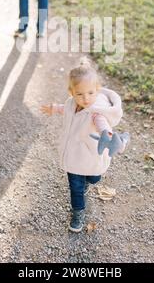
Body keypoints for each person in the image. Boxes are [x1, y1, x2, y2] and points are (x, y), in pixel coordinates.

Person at [41, 57, 130, 233]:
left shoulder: (96, 112)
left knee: (94, 178)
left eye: (90, 93)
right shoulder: (71, 103)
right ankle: (78, 212)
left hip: (91, 156)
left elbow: (102, 124)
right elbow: (65, 108)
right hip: (74, 157)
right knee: (75, 187)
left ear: (97, 90)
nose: (86, 99)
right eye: (79, 94)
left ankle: (89, 181)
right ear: (71, 92)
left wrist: (107, 134)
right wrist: (54, 108)